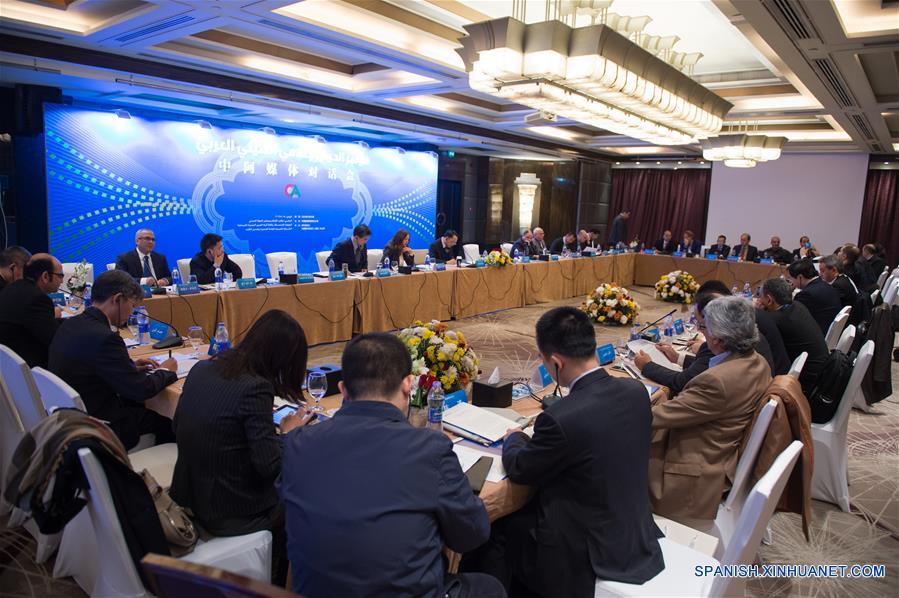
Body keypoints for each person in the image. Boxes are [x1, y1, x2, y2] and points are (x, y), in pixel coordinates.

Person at [280, 333, 503, 597]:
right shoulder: (429, 448)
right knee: (489, 587)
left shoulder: (296, 444)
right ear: (408, 384)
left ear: (342, 390)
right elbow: (471, 534)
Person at [468, 307, 664, 596]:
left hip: (586, 551)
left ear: (556, 363)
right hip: (633, 529)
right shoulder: (635, 392)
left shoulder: (562, 419)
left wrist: (515, 438)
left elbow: (521, 467)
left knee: (494, 530)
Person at [170, 310, 312, 586]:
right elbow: (270, 468)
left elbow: (177, 426)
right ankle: (281, 582)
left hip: (188, 493)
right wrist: (288, 434)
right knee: (306, 496)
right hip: (229, 512)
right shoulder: (255, 387)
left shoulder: (203, 367)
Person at [649, 296, 772, 521]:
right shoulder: (757, 362)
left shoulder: (717, 381)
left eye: (703, 326)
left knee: (616, 447)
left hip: (692, 476)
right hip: (719, 453)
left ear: (717, 339)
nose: (700, 331)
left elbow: (654, 418)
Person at [48, 270, 178, 450]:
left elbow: (89, 366)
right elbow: (141, 389)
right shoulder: (105, 338)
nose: (131, 313)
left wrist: (128, 367)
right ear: (117, 299)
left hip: (71, 420)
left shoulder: (70, 324)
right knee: (168, 420)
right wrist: (166, 370)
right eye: (132, 306)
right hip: (102, 427)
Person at [758, 278, 828, 397]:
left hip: (806, 385)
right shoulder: (797, 306)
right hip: (821, 374)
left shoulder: (774, 320)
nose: (759, 300)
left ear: (769, 300)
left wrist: (759, 312)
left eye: (760, 297)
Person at [0, 254, 62, 367]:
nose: (62, 281)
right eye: (60, 276)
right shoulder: (37, 299)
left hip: (8, 365)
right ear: (45, 276)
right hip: (32, 368)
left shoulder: (11, 287)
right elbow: (56, 340)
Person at [787, 258, 841, 334]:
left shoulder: (805, 295)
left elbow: (792, 318)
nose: (790, 282)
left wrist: (786, 294)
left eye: (790, 278)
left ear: (800, 277)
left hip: (815, 334)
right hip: (826, 329)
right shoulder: (826, 285)